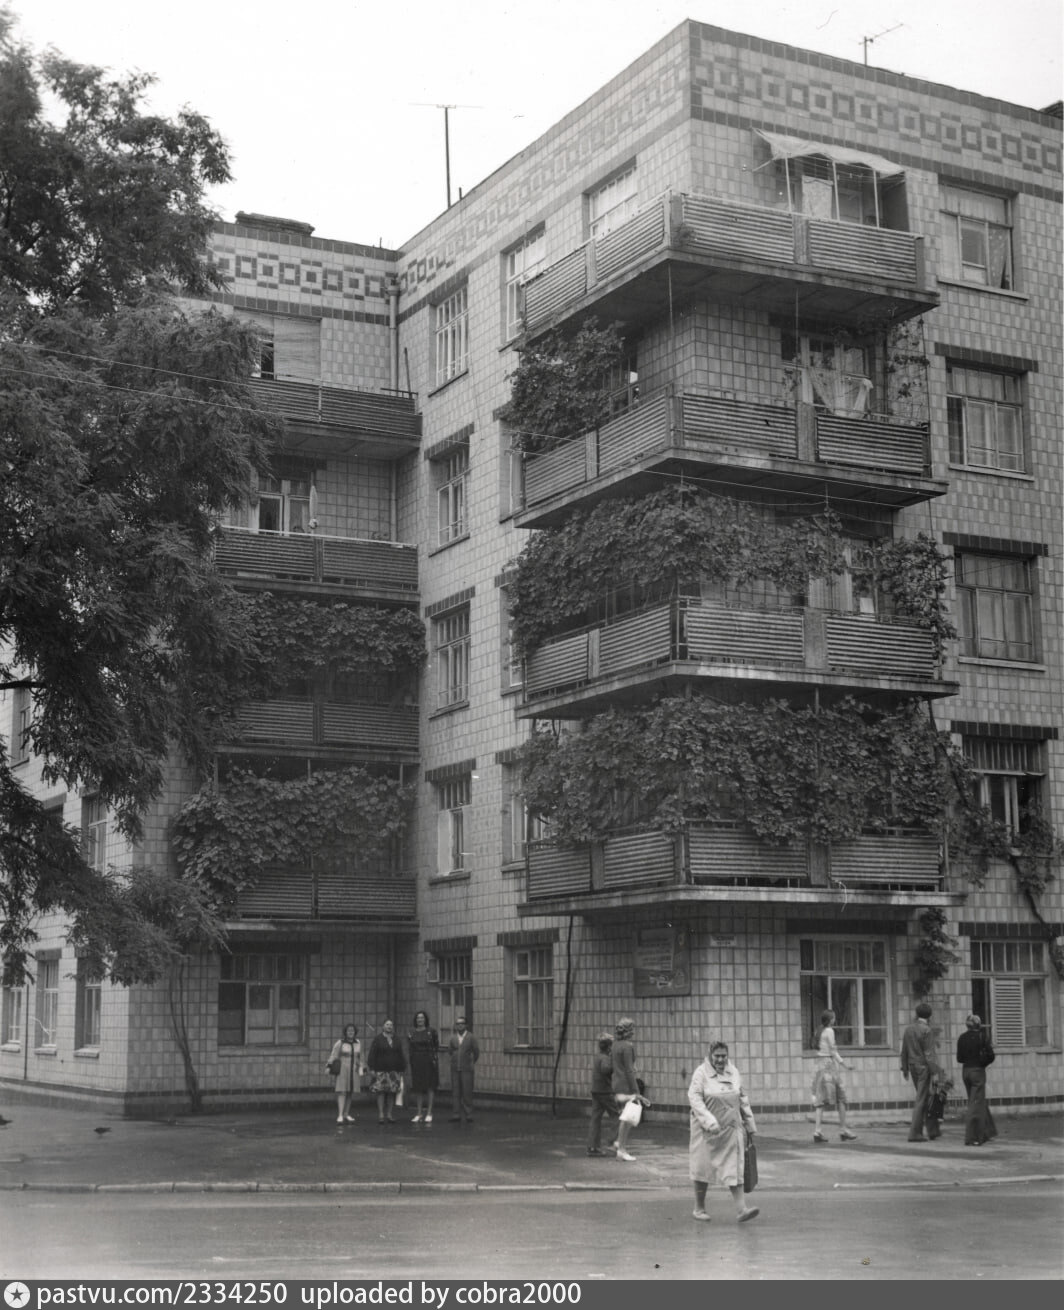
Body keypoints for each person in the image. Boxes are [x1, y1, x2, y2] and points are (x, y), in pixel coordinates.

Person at [687, 1039, 759, 1223]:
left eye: (723, 1056)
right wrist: (709, 1122)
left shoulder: (733, 1071)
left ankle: (741, 1209)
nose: (720, 1060)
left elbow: (742, 1098)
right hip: (706, 1131)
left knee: (735, 1168)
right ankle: (699, 1209)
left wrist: (750, 1125)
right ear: (710, 1055)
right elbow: (695, 1099)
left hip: (730, 1129)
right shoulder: (700, 1073)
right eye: (717, 1056)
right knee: (702, 1168)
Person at [811, 1009, 858, 1143]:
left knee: (820, 1099)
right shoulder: (830, 1031)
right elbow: (833, 1051)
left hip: (819, 1066)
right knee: (841, 1097)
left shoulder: (819, 1031)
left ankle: (817, 1131)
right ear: (830, 1019)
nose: (835, 1019)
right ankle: (843, 1130)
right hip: (829, 1066)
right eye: (834, 1017)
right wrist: (845, 1064)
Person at [900, 1001, 942, 1142]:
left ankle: (933, 1130)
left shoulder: (909, 1029)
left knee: (926, 1096)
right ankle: (915, 1133)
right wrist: (935, 1071)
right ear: (929, 1016)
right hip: (924, 1067)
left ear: (917, 1014)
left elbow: (904, 1050)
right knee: (922, 1099)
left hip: (912, 1066)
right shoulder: (927, 1030)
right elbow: (929, 1053)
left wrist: (905, 1068)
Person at [956, 1013, 998, 1147]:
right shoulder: (982, 1036)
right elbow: (991, 1056)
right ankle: (973, 1137)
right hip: (977, 1072)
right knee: (976, 1105)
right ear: (978, 1025)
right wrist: (982, 1063)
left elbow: (959, 1058)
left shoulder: (961, 1038)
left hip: (966, 1072)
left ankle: (988, 1131)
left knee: (976, 1101)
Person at [611, 1017, 647, 1161]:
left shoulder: (615, 1045)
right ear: (629, 1031)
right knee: (627, 1120)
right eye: (632, 1029)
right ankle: (621, 1148)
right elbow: (629, 1070)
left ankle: (619, 1143)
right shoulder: (628, 1046)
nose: (634, 1031)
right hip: (626, 1085)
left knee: (624, 1117)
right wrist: (636, 1091)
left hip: (616, 1083)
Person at [367, 1019, 406, 1124]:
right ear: (383, 1027)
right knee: (380, 1092)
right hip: (381, 1070)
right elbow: (372, 1054)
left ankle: (389, 1114)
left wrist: (402, 1068)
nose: (389, 1026)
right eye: (387, 1024)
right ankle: (381, 1114)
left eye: (391, 1025)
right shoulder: (378, 1039)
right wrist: (372, 1068)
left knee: (391, 1093)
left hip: (394, 1071)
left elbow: (400, 1054)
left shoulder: (397, 1039)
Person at [587, 1031, 619, 1156]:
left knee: (595, 1118)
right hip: (605, 1091)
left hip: (596, 1090)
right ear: (609, 1046)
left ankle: (592, 1147)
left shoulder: (598, 1056)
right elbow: (606, 1070)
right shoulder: (606, 1058)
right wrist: (614, 1063)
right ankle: (612, 1142)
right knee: (616, 1115)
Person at [325, 1023, 363, 1125]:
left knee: (350, 1091)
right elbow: (333, 1055)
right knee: (342, 1091)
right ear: (345, 1032)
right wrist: (329, 1066)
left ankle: (346, 1113)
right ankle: (340, 1115)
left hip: (354, 1070)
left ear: (355, 1032)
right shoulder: (340, 1043)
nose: (351, 1032)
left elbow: (360, 1056)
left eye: (352, 1030)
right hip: (343, 1069)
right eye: (348, 1030)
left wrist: (362, 1068)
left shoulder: (358, 1043)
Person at [407, 1010, 440, 1124]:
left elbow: (436, 1046)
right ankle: (419, 1113)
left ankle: (429, 1113)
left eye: (422, 1018)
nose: (420, 1020)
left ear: (425, 1019)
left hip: (429, 1061)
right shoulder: (411, 1032)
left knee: (430, 1086)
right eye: (418, 1018)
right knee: (418, 1087)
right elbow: (410, 1047)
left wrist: (433, 1059)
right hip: (416, 1061)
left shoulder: (431, 1031)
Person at [447, 1014, 479, 1123]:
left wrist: (471, 1062)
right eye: (457, 1024)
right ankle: (456, 1114)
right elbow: (450, 1051)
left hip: (467, 1069)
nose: (459, 1026)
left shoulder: (471, 1037)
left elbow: (476, 1052)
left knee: (467, 1092)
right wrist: (455, 1059)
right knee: (455, 1092)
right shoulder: (453, 1037)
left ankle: (469, 1114)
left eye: (461, 1023)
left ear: (466, 1025)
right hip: (455, 1069)